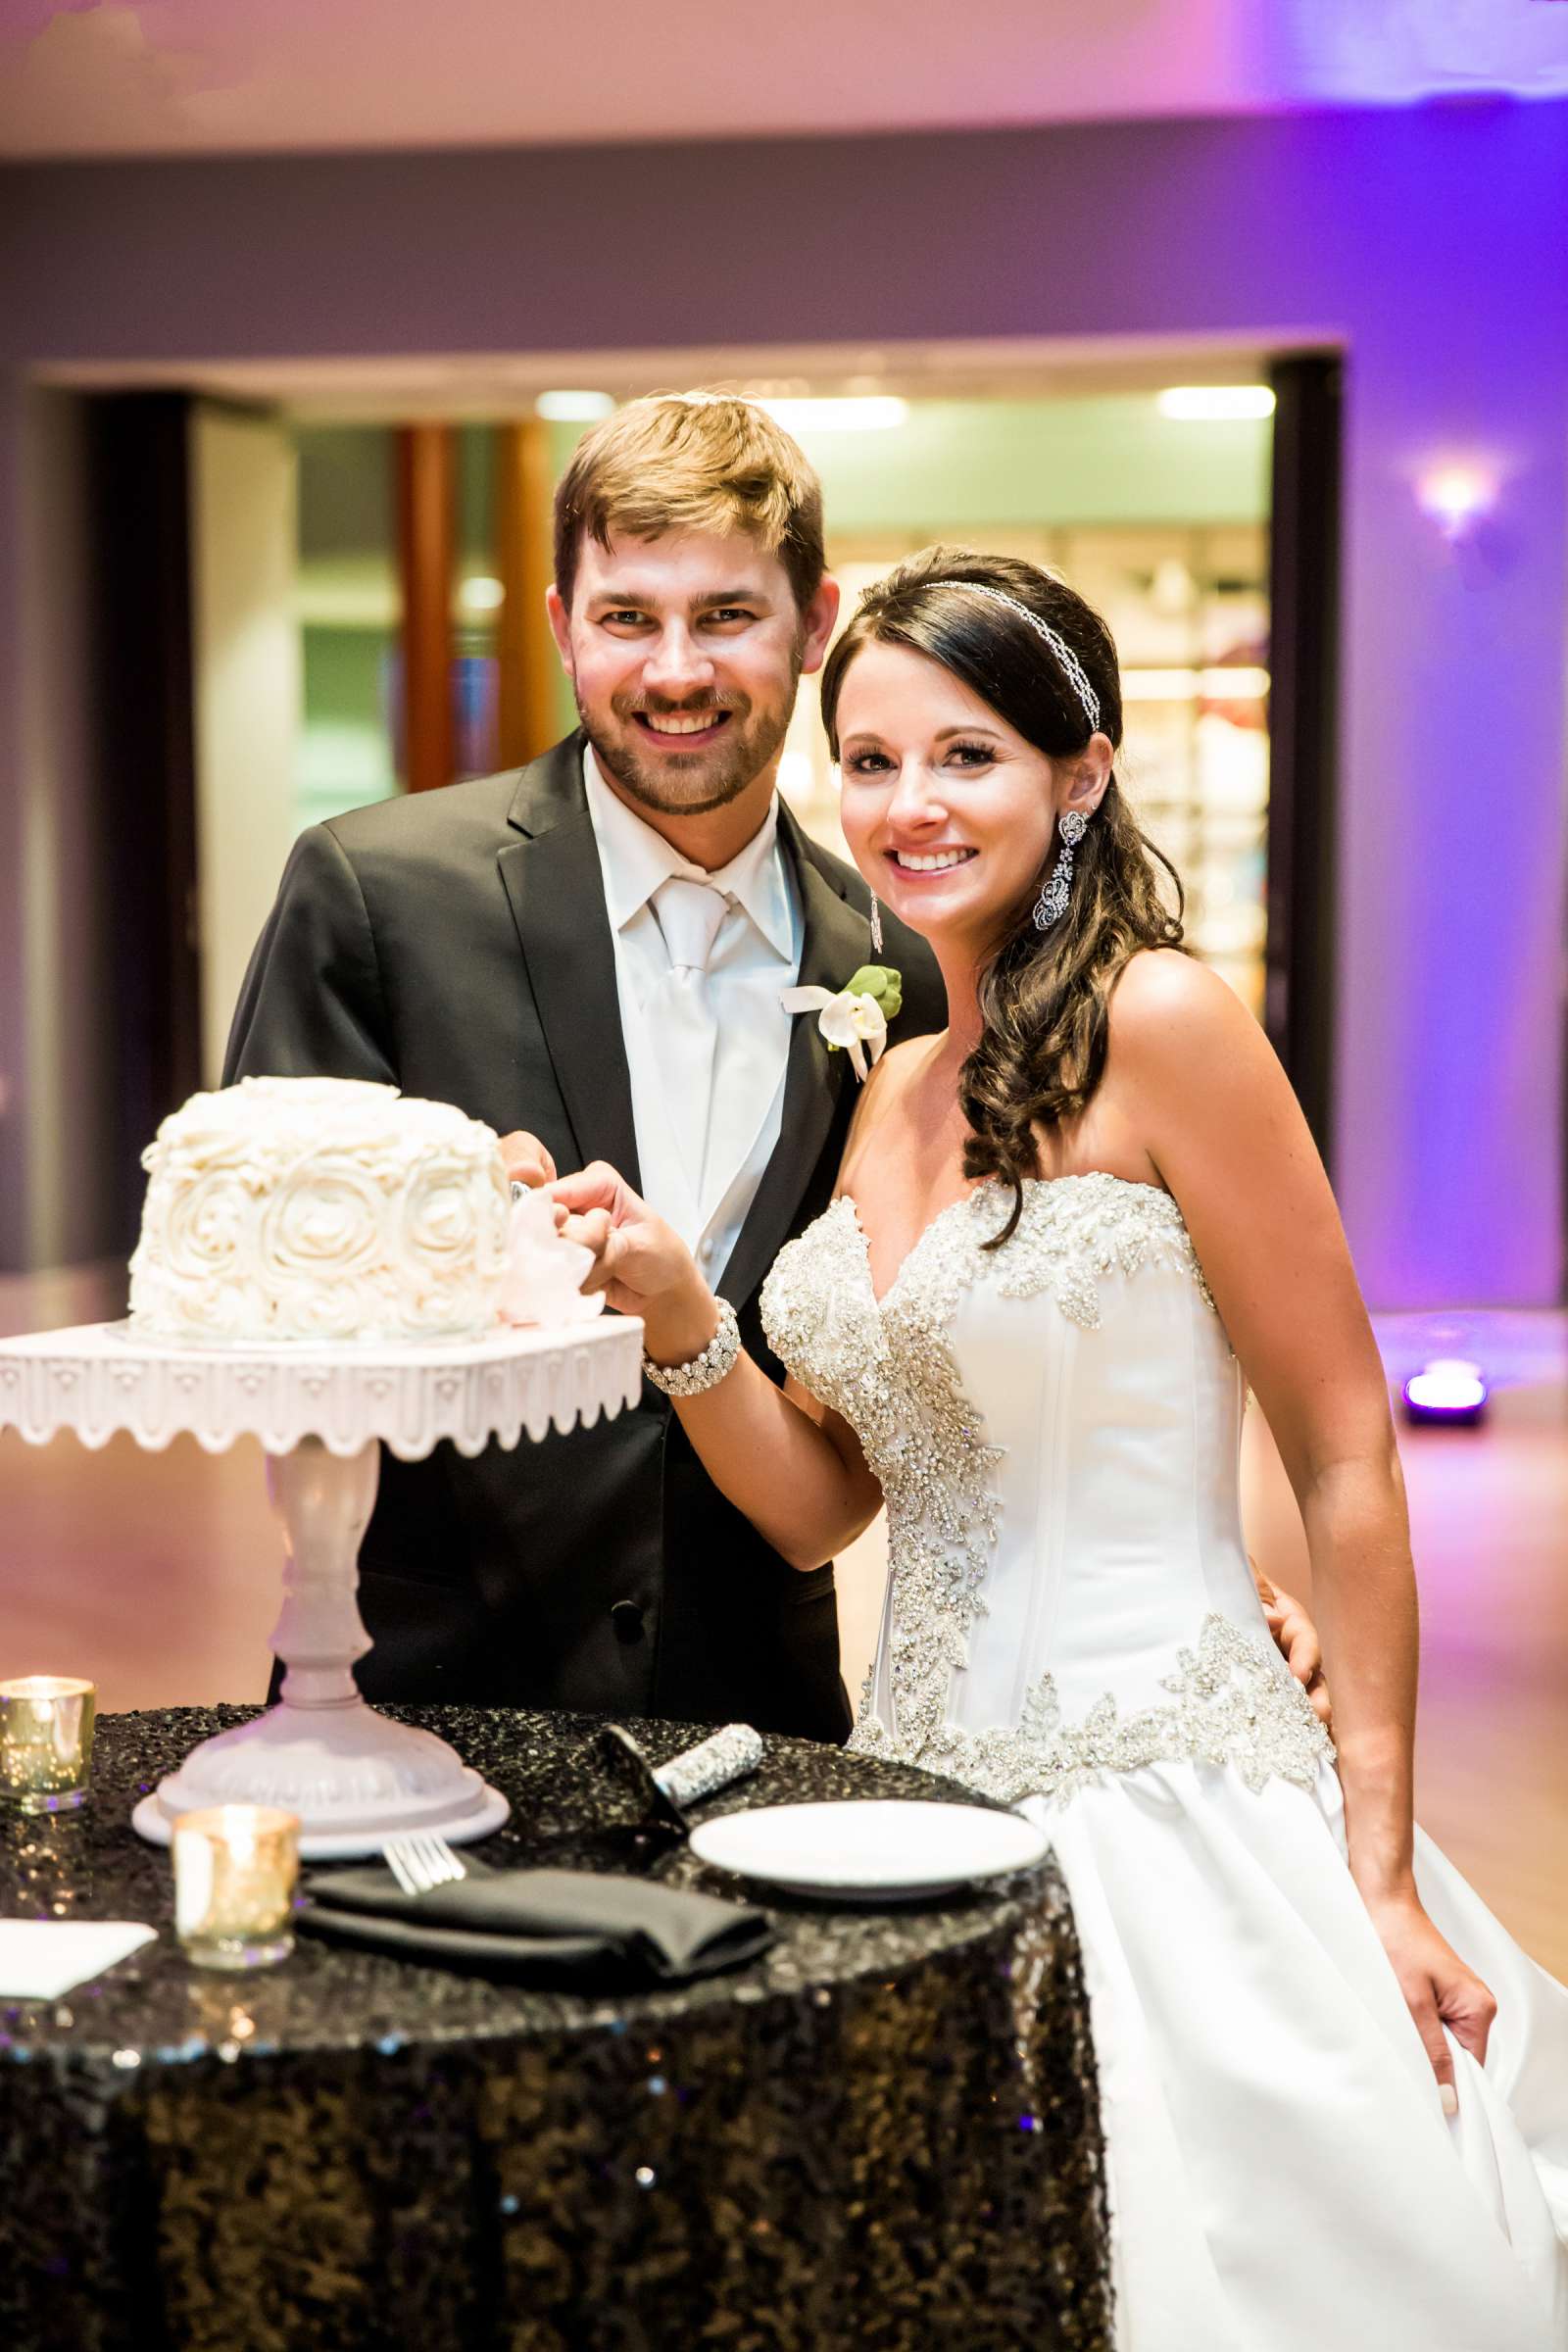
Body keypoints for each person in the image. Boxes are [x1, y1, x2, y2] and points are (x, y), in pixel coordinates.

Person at [557, 547, 1568, 2348]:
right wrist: (675, 1319)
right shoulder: (890, 1089)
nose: (910, 806)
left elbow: (1348, 1451)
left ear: (1079, 772)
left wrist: (1384, 1867)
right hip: (920, 1794)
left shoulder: (1169, 1024)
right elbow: (818, 1515)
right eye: (869, 761)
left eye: (968, 756)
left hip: (1174, 1786)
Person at [225, 393, 1317, 1740]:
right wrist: (448, 1240)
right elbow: (266, 1292)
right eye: (627, 616)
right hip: (422, 1694)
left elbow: (964, 1339)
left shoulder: (913, 950)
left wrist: (1185, 1580)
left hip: (764, 1717)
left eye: (728, 615)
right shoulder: (376, 894)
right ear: (564, 623)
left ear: (812, 623)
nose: (674, 669)